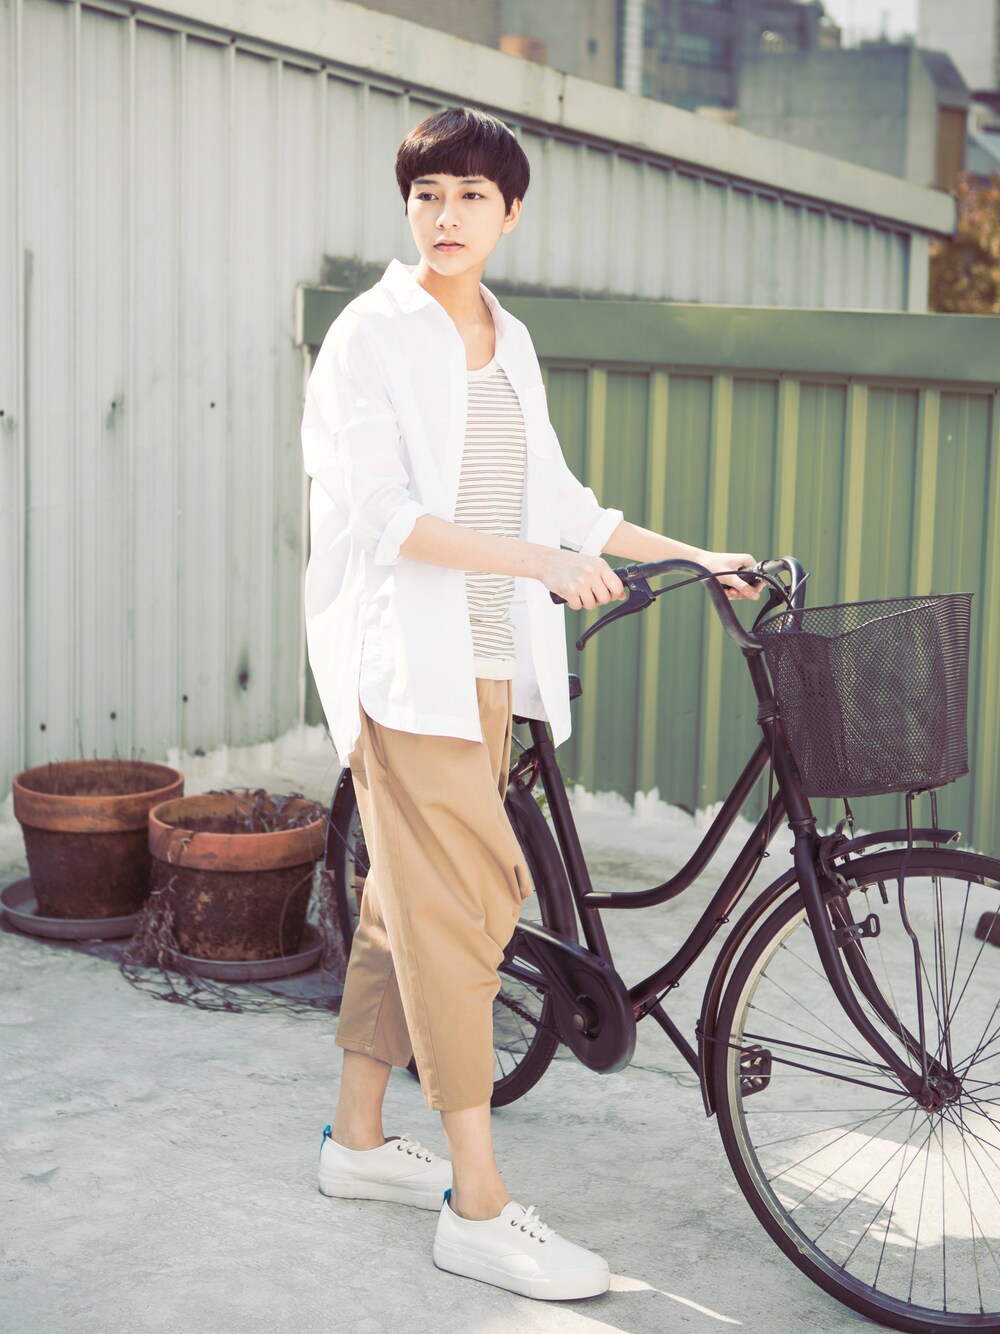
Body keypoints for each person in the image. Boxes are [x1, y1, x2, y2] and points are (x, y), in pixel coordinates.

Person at [301, 105, 759, 1303]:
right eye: (427, 194)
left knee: (405, 906)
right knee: (469, 909)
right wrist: (539, 562)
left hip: (490, 665)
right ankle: (478, 1205)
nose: (445, 215)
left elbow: (564, 505)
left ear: (510, 213)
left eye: (470, 197)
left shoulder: (509, 338)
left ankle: (358, 1139)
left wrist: (696, 554)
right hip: (407, 669)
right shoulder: (368, 336)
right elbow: (386, 517)